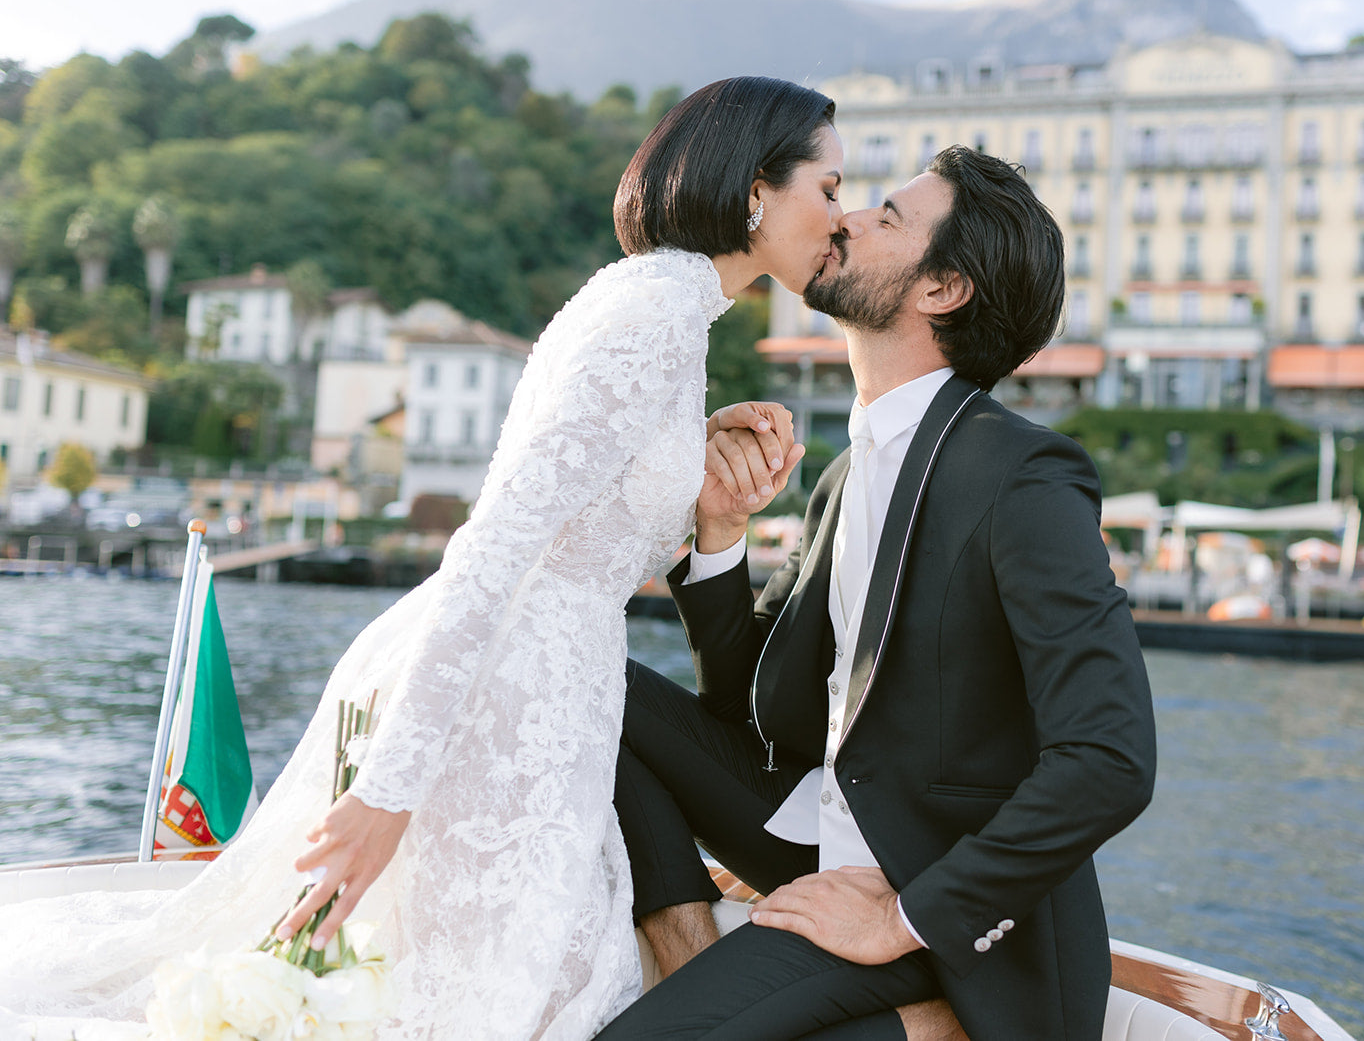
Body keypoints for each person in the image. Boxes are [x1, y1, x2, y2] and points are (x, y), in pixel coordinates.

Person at [0, 75, 838, 1041]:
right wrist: (389, 790)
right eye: (828, 186)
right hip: (499, 694)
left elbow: (594, 504)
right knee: (475, 1004)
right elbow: (499, 543)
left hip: (554, 696)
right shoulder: (649, 315)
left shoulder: (671, 313)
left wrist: (695, 446)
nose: (840, 214)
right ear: (754, 192)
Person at [603, 147, 1158, 1040]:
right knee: (587, 678)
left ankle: (933, 1015)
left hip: (937, 905)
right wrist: (719, 533)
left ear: (941, 290)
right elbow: (754, 711)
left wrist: (901, 916)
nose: (846, 218)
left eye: (887, 217)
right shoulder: (848, 474)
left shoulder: (1023, 476)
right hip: (818, 834)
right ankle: (684, 937)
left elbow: (1112, 757)